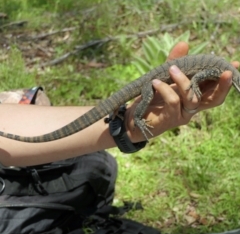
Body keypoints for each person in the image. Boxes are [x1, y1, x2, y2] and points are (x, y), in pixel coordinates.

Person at [0, 42, 238, 167]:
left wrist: (127, 123)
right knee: (145, 97)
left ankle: (122, 114)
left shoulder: (223, 69)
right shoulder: (221, 68)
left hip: (145, 89)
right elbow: (197, 77)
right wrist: (195, 84)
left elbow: (199, 76)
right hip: (148, 85)